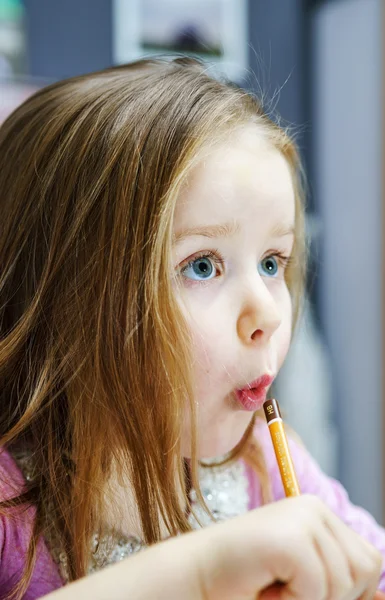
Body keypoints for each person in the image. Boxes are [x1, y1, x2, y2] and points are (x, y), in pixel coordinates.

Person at [0, 57, 384, 599]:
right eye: (202, 265)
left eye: (273, 261)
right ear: (63, 297)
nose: (269, 315)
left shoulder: (264, 466)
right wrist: (204, 573)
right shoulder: (9, 508)